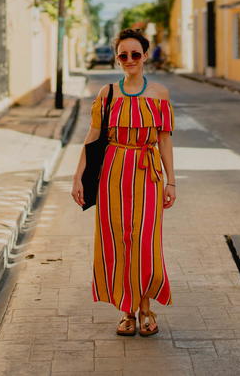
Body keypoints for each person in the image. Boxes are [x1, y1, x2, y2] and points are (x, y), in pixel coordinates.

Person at [71, 28, 177, 337]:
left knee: (144, 243)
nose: (129, 59)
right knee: (118, 243)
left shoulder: (160, 94)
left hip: (147, 174)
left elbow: (165, 140)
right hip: (112, 174)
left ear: (145, 56)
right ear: (117, 59)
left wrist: (172, 182)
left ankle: (146, 308)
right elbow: (92, 138)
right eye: (123, 55)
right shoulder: (107, 94)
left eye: (135, 54)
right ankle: (127, 312)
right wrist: (78, 176)